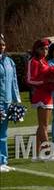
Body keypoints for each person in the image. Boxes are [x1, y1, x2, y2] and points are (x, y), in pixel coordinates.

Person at [27, 39, 54, 162]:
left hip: (48, 94)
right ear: (36, 49)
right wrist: (45, 82)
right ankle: (48, 153)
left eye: (47, 48)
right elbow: (29, 80)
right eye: (42, 48)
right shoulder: (33, 61)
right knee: (43, 126)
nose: (45, 50)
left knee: (43, 126)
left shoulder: (44, 61)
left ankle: (38, 155)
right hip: (40, 95)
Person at [0, 35, 21, 172]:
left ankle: (3, 161)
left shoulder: (9, 61)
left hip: (8, 102)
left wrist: (17, 100)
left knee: (4, 132)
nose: (1, 47)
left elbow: (14, 82)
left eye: (2, 44)